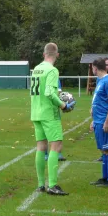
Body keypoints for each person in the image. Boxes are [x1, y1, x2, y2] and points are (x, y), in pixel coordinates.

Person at [31, 43, 75, 196]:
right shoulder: (52, 70)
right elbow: (50, 92)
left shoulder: (36, 69)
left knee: (40, 147)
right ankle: (53, 185)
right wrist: (63, 105)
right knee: (56, 146)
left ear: (44, 54)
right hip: (49, 114)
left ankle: (41, 184)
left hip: (36, 112)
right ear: (57, 54)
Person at [89, 58, 108, 187]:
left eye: (92, 68)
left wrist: (107, 121)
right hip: (98, 121)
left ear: (95, 68)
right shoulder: (101, 81)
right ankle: (105, 178)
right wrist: (94, 120)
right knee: (104, 150)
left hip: (104, 122)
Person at [44, 78, 67, 162]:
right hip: (52, 111)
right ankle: (56, 153)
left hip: (41, 110)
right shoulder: (53, 76)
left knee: (45, 134)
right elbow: (59, 94)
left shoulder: (39, 75)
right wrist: (63, 105)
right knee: (56, 134)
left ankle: (46, 154)